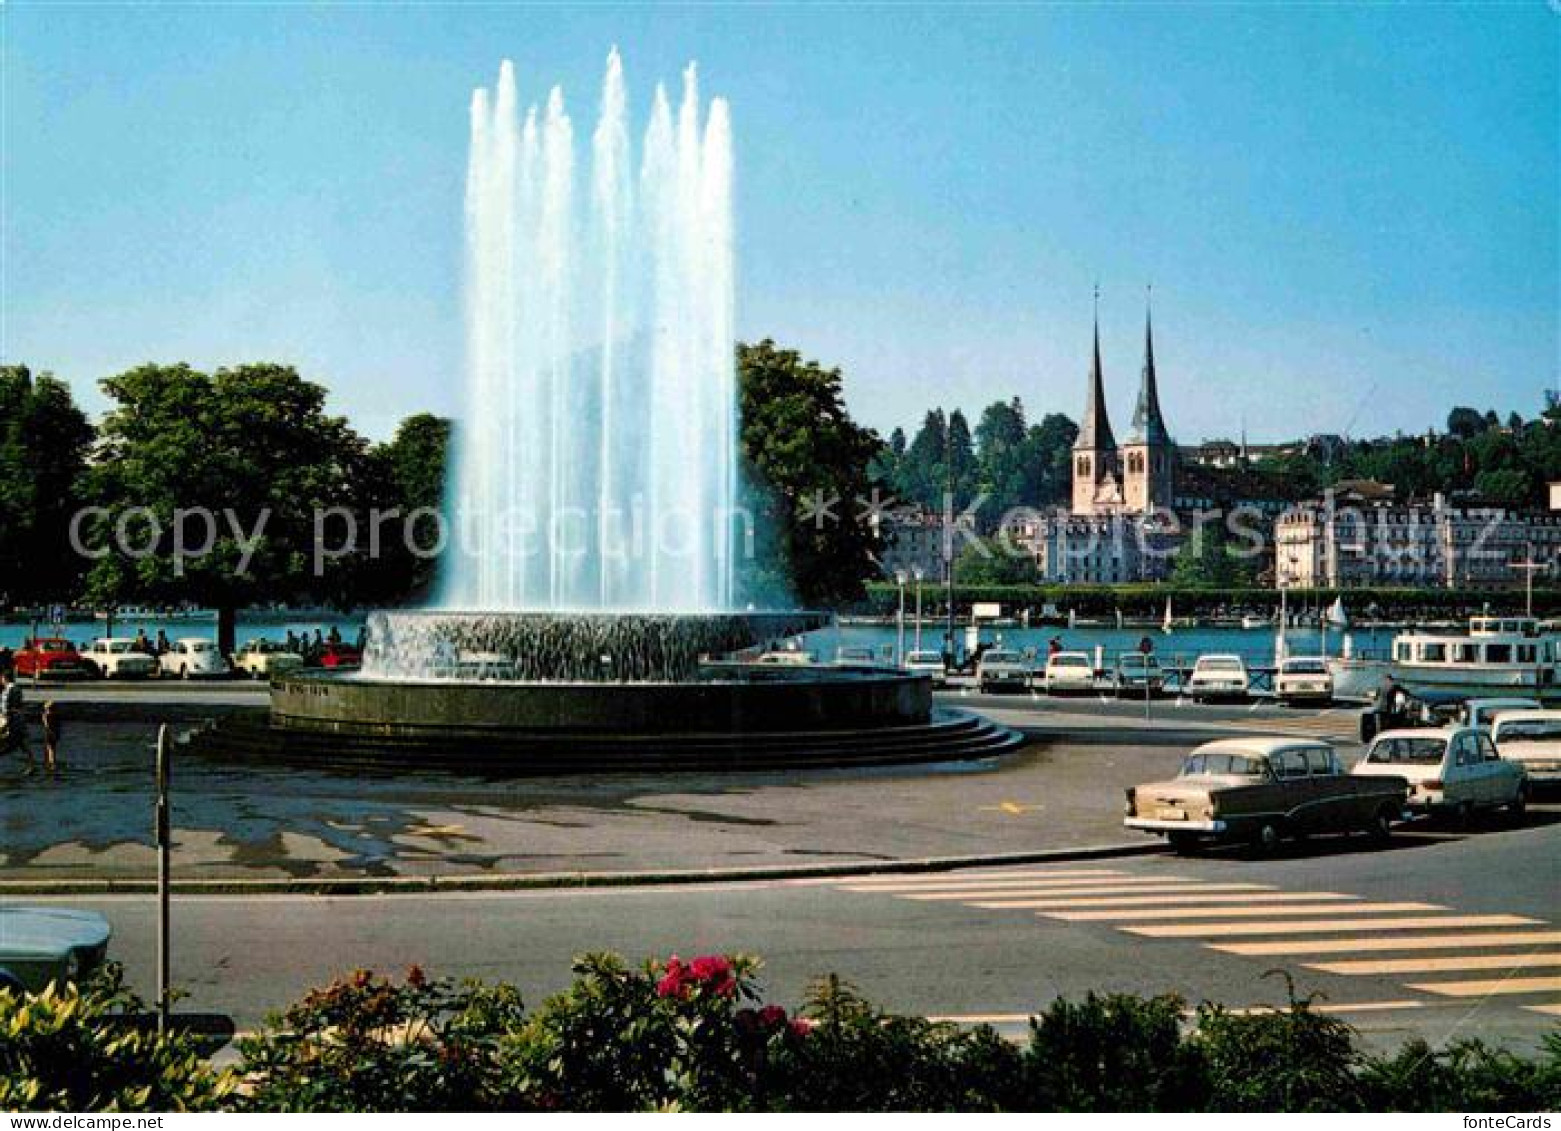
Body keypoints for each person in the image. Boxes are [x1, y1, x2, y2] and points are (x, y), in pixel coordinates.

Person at [0, 671, 36, 773]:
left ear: (4, 678)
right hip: (5, 718)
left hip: (12, 720)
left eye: (1, 678)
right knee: (17, 744)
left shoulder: (14, 689)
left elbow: (16, 706)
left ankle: (31, 765)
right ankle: (31, 765)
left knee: (19, 743)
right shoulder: (5, 689)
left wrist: (7, 717)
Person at [40, 700, 61, 775]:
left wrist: (50, 732)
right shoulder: (56, 714)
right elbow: (58, 725)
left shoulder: (45, 715)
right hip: (56, 733)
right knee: (53, 748)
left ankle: (51, 764)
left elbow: (46, 726)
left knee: (49, 748)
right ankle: (52, 762)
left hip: (49, 733)